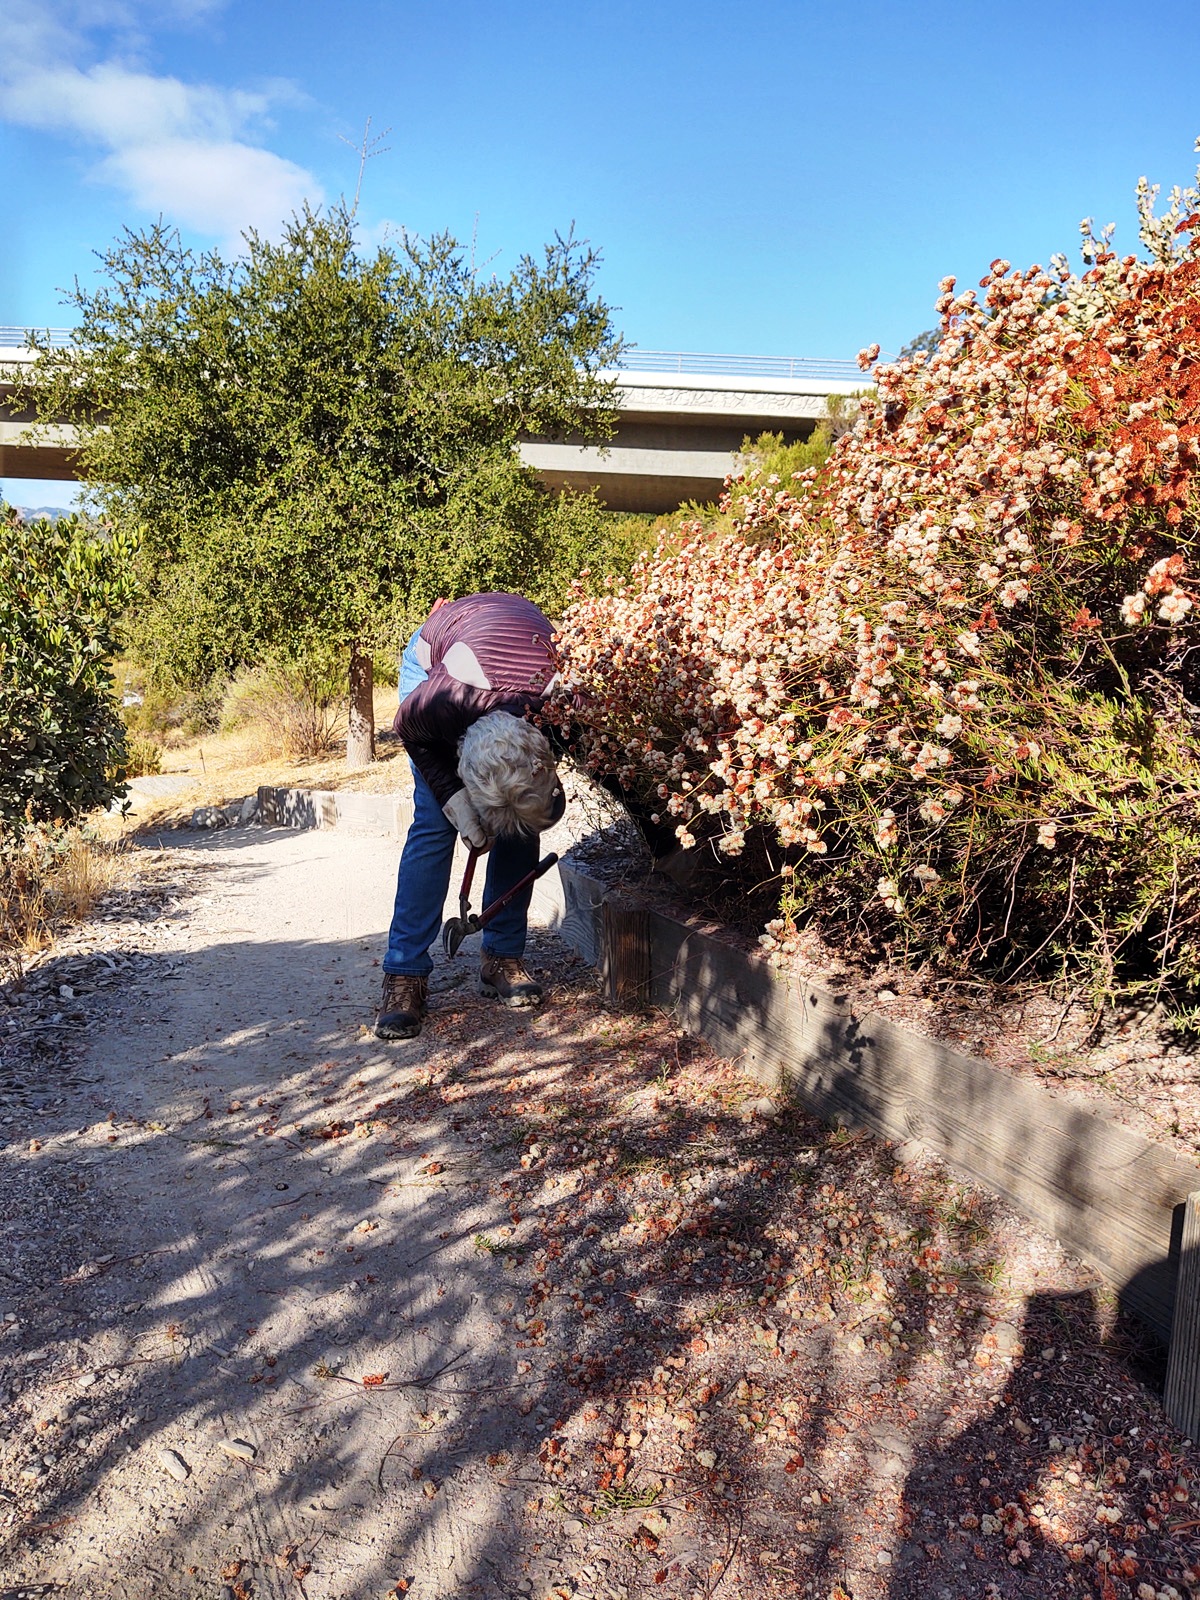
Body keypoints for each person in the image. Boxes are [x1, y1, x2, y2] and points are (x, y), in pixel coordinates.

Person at [375, 591, 567, 1041]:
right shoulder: (438, 704)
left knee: (520, 824)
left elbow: (551, 796)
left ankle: (502, 955)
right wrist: (462, 809)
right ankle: (404, 973)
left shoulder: (563, 705)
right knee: (434, 823)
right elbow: (412, 735)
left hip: (519, 671)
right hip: (437, 660)